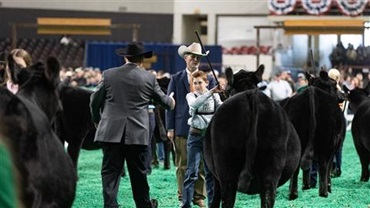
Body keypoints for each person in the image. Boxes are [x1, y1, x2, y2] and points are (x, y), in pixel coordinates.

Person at [90, 42, 175, 208]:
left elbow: (94, 101)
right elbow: (165, 103)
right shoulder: (149, 77)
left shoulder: (108, 75)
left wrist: (97, 120)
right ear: (142, 59)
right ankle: (144, 206)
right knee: (139, 175)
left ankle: (110, 205)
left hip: (110, 132)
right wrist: (172, 101)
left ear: (125, 57)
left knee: (110, 173)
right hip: (137, 134)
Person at [166, 42, 217, 207]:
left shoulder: (206, 79)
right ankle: (183, 196)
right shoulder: (175, 78)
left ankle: (199, 196)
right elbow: (170, 105)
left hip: (203, 128)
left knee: (202, 163)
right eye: (192, 56)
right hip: (181, 127)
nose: (195, 59)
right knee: (183, 164)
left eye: (198, 57)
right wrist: (170, 128)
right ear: (185, 58)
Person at [181, 70, 223, 208]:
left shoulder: (214, 96)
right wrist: (211, 92)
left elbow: (221, 109)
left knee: (211, 173)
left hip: (210, 139)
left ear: (207, 82)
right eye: (195, 83)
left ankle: (212, 204)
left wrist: (227, 96)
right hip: (195, 136)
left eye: (200, 82)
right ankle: (186, 204)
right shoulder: (190, 96)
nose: (197, 85)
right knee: (191, 172)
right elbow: (194, 105)